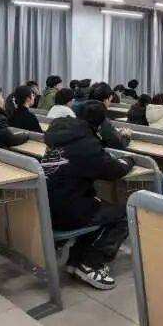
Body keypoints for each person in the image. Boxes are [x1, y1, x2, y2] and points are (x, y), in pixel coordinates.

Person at [42, 101, 134, 290]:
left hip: (49, 206)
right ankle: (91, 264)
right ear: (100, 126)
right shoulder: (86, 144)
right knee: (126, 213)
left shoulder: (61, 135)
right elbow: (113, 170)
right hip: (67, 212)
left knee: (99, 205)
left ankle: (76, 261)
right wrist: (129, 161)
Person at [87, 83, 131, 149]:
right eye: (110, 100)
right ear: (105, 100)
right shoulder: (101, 120)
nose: (109, 104)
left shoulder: (81, 114)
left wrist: (113, 131)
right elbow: (119, 145)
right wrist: (127, 136)